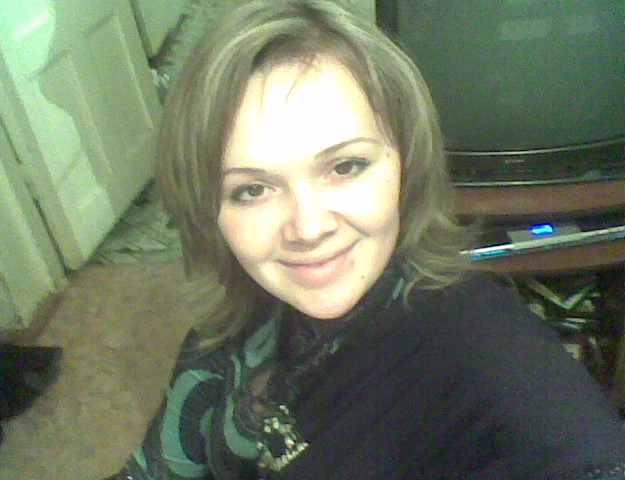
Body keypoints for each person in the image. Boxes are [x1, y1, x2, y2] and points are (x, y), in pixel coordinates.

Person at [107, 1, 625, 478]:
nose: (308, 229)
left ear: (405, 159)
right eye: (253, 190)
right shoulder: (233, 312)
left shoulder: (495, 367)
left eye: (345, 166)